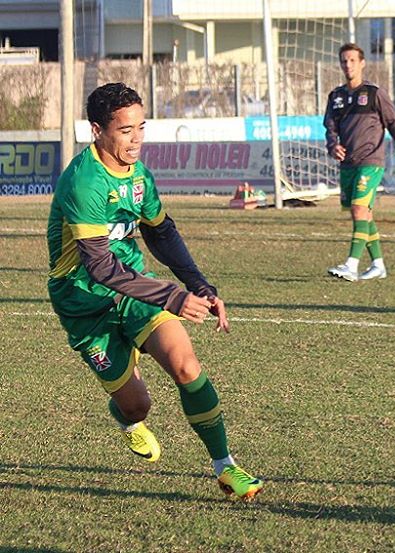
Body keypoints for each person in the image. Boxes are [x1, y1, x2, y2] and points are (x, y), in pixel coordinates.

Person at [47, 83, 263, 501]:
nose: (136, 140)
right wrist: (173, 296)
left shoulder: (140, 177)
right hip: (82, 301)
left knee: (185, 365)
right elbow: (101, 266)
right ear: (97, 130)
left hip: (134, 290)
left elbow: (160, 232)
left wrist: (198, 284)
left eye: (140, 128)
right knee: (137, 406)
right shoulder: (84, 182)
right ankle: (128, 421)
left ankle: (226, 467)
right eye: (125, 130)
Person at [324, 42, 395, 282]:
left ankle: (352, 265)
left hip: (371, 161)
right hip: (348, 164)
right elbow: (330, 128)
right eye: (344, 60)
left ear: (362, 63)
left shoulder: (374, 94)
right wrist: (333, 145)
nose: (348, 64)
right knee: (363, 214)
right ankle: (378, 265)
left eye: (353, 60)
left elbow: (394, 122)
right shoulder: (336, 97)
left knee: (359, 209)